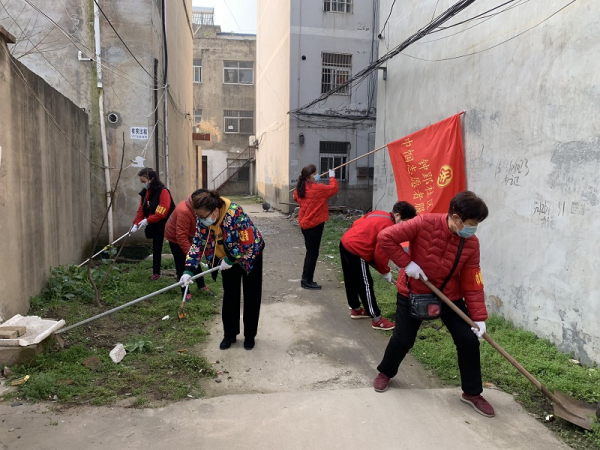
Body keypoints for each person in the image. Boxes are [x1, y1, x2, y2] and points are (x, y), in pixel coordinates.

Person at [373, 191, 495, 418]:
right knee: (403, 339)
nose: (473, 228)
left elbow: (472, 280)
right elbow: (386, 237)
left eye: (476, 224)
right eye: (471, 223)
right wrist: (406, 263)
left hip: (449, 296)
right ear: (456, 218)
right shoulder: (424, 222)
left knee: (468, 340)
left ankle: (472, 393)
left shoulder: (471, 243)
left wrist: (478, 317)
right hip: (414, 291)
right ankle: (385, 373)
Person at [180, 191, 265, 350]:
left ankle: (249, 336)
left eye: (204, 217)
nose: (201, 220)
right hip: (225, 260)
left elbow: (248, 241)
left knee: (251, 295)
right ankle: (230, 335)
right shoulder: (202, 220)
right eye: (199, 216)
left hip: (251, 256)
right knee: (230, 296)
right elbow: (197, 244)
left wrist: (232, 259)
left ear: (215, 211)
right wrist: (188, 270)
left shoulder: (235, 213)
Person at [339, 201, 417, 331]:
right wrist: (385, 271)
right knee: (366, 284)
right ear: (397, 215)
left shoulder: (379, 213)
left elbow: (356, 224)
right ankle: (377, 319)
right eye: (405, 222)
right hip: (356, 250)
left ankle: (356, 309)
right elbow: (381, 254)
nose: (405, 226)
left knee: (351, 279)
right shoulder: (389, 227)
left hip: (345, 242)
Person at [293, 164, 338, 290]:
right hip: (315, 224)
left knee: (310, 252)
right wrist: (332, 176)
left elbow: (296, 196)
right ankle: (307, 280)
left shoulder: (300, 188)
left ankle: (305, 278)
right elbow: (333, 189)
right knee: (313, 253)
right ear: (309, 176)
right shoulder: (319, 189)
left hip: (304, 224)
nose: (317, 175)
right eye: (314, 173)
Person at [164, 189, 213, 300]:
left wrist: (194, 257)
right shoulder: (184, 211)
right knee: (182, 264)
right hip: (175, 237)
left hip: (190, 235)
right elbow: (180, 236)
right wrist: (190, 255)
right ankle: (185, 293)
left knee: (195, 262)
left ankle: (201, 285)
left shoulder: (197, 207)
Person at [130, 168, 174, 280]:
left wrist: (147, 221)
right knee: (156, 247)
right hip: (155, 224)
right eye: (142, 182)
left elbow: (162, 211)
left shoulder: (163, 191)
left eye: (144, 181)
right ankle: (156, 273)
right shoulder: (145, 193)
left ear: (152, 179)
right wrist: (136, 223)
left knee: (175, 247)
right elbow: (141, 209)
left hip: (168, 223)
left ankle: (180, 273)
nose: (143, 184)